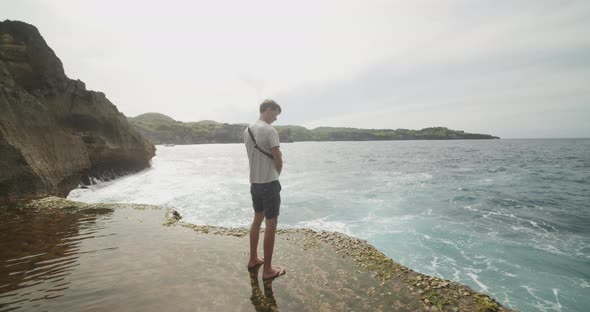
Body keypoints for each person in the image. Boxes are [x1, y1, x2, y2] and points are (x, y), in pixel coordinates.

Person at [244, 99, 286, 280]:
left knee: (257, 220)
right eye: (275, 113)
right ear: (268, 110)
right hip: (269, 183)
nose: (276, 118)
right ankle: (268, 270)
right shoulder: (269, 130)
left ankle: (253, 258)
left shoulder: (247, 130)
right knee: (271, 224)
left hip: (255, 183)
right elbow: (278, 159)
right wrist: (276, 175)